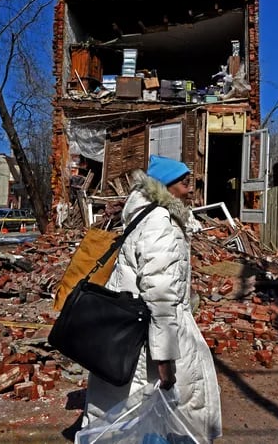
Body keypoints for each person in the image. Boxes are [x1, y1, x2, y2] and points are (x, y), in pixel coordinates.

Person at [82, 155, 222, 441]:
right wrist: (165, 359)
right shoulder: (161, 220)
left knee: (124, 414)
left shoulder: (145, 213)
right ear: (168, 185)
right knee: (160, 410)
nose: (191, 189)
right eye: (185, 182)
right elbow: (159, 293)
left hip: (131, 332)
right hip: (152, 334)